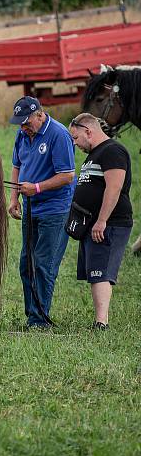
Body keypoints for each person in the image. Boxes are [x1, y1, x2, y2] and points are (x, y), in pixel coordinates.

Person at [7, 96, 75, 328]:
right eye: (20, 123)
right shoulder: (23, 134)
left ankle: (39, 319)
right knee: (26, 262)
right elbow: (17, 166)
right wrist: (14, 197)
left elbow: (67, 175)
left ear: (39, 114)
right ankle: (32, 313)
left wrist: (36, 188)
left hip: (54, 209)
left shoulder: (58, 134)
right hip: (31, 207)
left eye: (26, 122)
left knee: (43, 264)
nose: (23, 127)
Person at [69, 113, 133, 330]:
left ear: (89, 131)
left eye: (76, 138)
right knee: (94, 271)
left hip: (110, 222)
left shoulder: (112, 151)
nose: (75, 143)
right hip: (92, 223)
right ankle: (99, 319)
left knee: (100, 272)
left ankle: (101, 322)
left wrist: (102, 220)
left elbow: (113, 188)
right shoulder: (95, 154)